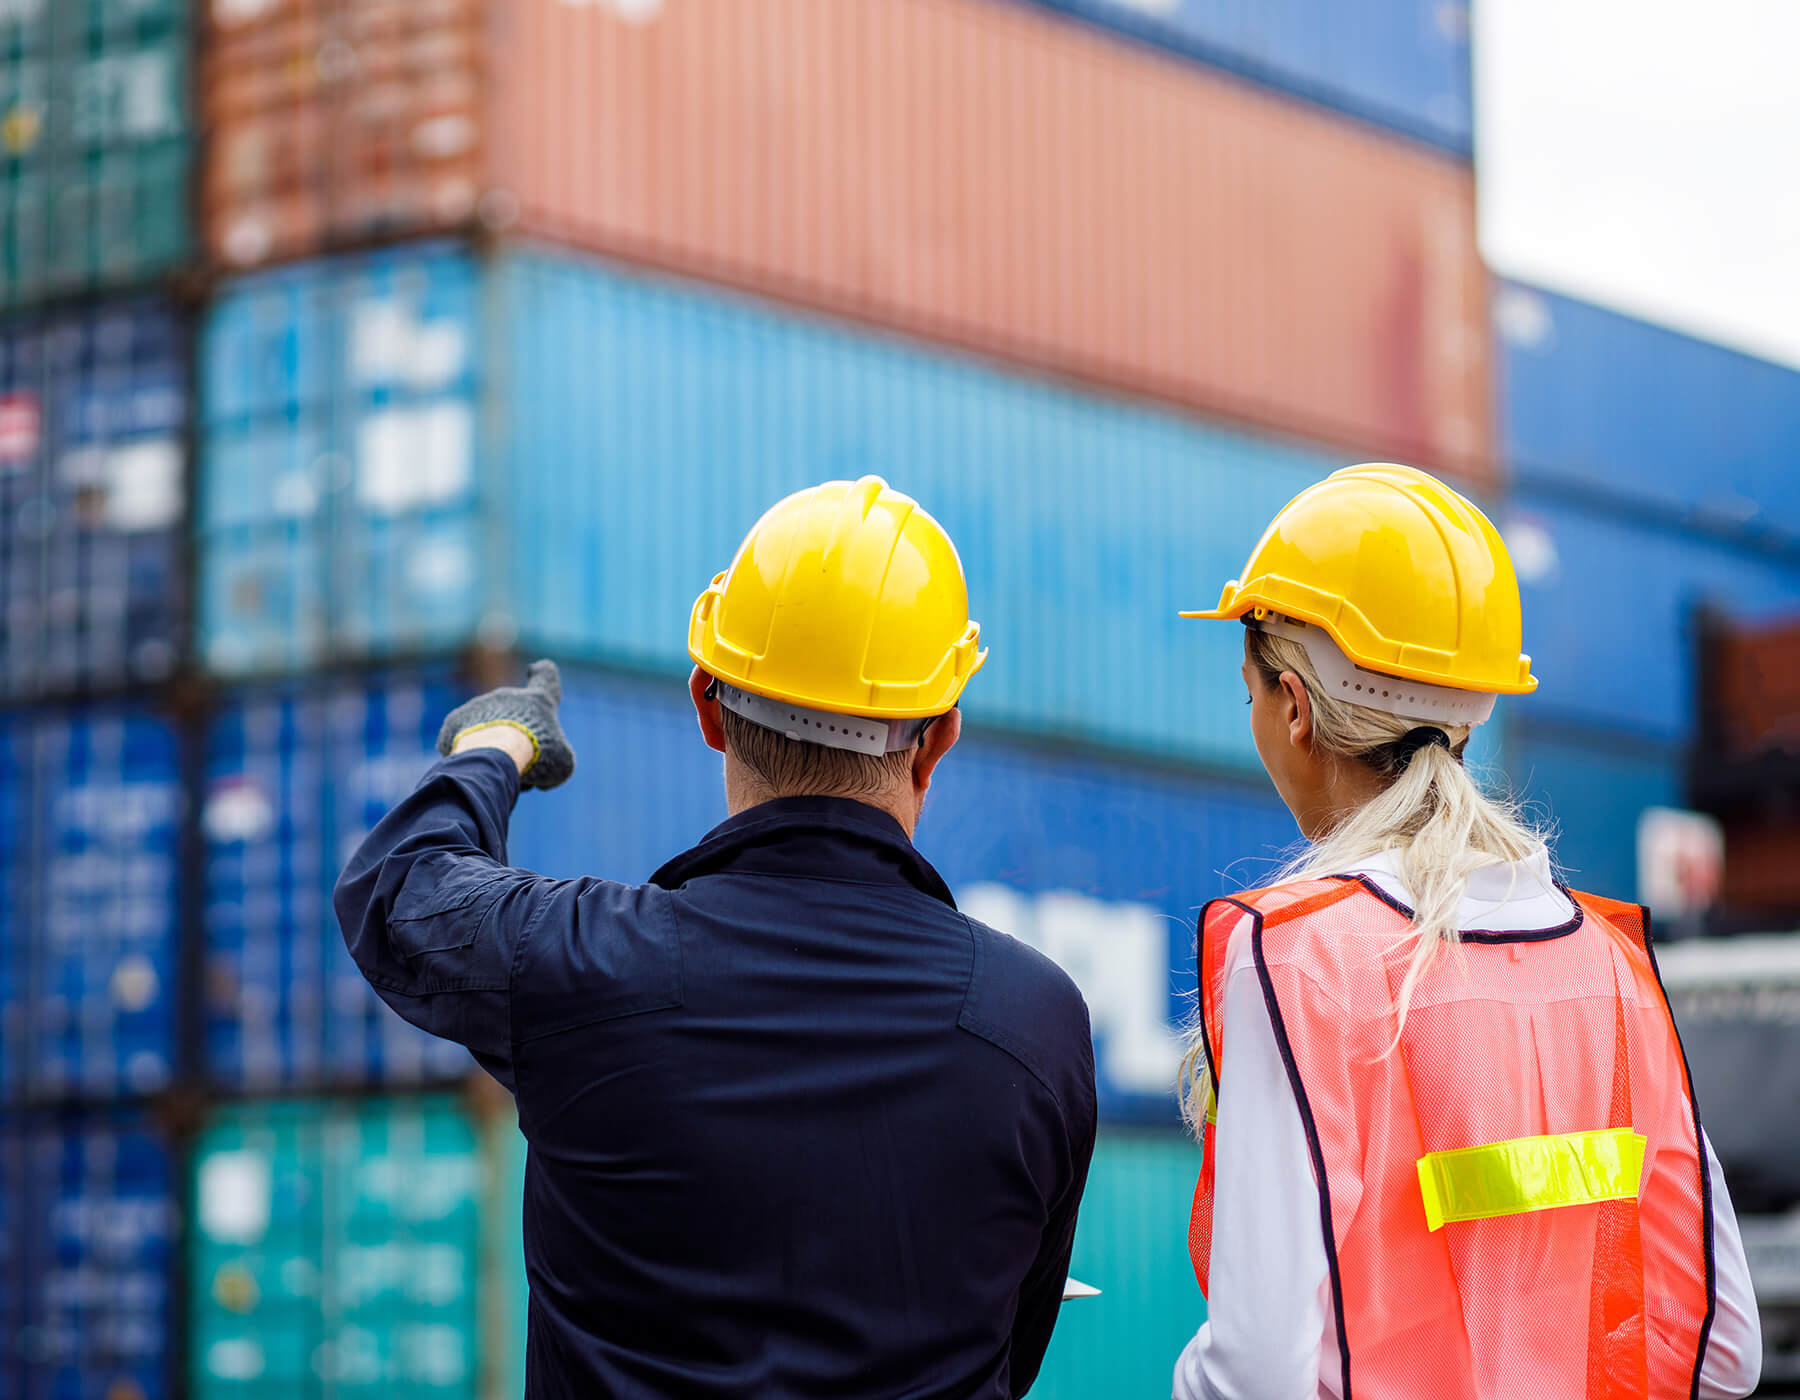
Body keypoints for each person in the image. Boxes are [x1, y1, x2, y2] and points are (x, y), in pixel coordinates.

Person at [334, 475, 1096, 1400]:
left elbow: (399, 887)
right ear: (938, 739)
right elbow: (1016, 1347)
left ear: (706, 704)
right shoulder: (1035, 1023)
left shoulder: (581, 967)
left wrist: (496, 745)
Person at [1171, 463, 1761, 1400]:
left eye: (1249, 692)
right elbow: (1722, 1352)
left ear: (1292, 706)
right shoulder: (1609, 968)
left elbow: (1254, 1374)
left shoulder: (1299, 957)